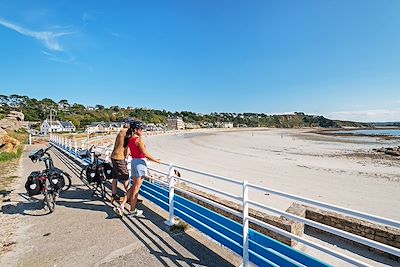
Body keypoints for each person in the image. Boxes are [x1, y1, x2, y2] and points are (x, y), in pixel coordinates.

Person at [126, 120, 160, 217]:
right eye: (141, 129)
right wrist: (156, 160)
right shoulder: (138, 140)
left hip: (134, 162)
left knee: (134, 187)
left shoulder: (130, 139)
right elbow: (145, 154)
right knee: (136, 189)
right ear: (136, 130)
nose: (142, 131)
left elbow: (131, 153)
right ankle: (132, 210)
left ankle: (130, 208)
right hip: (140, 163)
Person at [110, 122, 131, 204]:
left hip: (114, 156)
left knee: (115, 178)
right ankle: (130, 197)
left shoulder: (121, 132)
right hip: (119, 158)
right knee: (126, 177)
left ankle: (113, 196)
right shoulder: (126, 132)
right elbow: (127, 147)